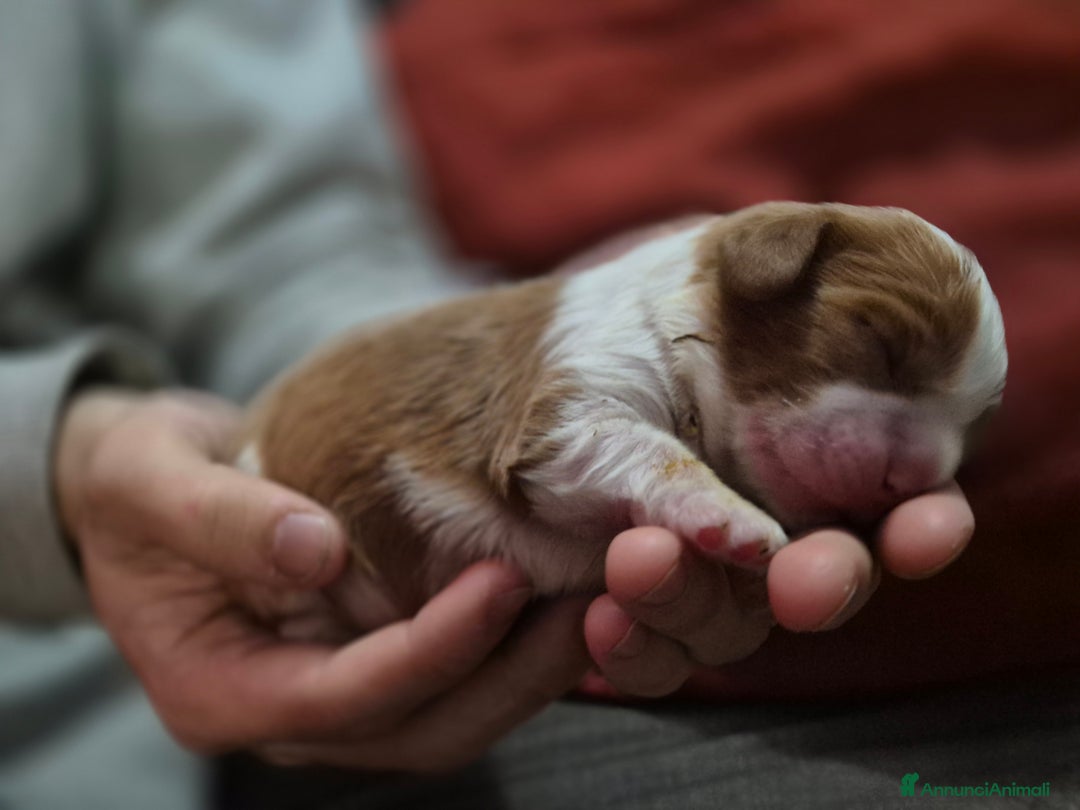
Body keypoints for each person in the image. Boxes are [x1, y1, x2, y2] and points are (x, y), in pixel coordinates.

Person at [2, 2, 1074, 809]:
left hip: (231, 652)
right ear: (764, 265)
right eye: (875, 349)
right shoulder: (681, 318)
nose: (919, 468)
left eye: (958, 433)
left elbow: (275, 246)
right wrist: (49, 463)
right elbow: (557, 442)